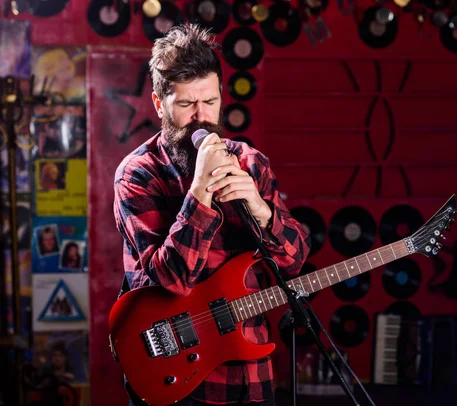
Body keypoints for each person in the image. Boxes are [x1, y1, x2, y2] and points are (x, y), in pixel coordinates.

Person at [112, 23, 310, 406]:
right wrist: (199, 191)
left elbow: (294, 261)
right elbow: (169, 280)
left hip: (251, 377)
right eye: (187, 105)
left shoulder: (251, 163)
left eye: (211, 102)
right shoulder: (137, 174)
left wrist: (261, 209)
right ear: (159, 104)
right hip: (177, 374)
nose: (202, 117)